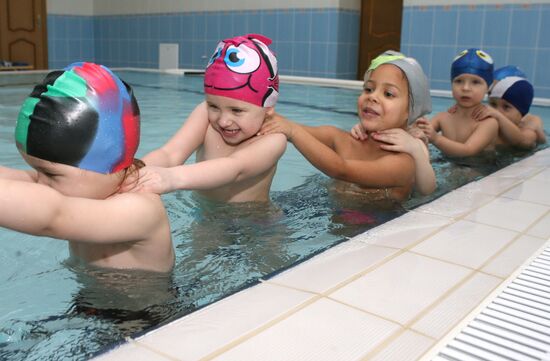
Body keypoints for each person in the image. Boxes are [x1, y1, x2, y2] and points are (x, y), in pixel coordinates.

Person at [0, 62, 174, 273]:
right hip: (90, 299)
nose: (41, 183)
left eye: (51, 174)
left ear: (107, 164)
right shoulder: (85, 183)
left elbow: (52, 216)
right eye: (37, 170)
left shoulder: (140, 210)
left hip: (141, 306)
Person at [122, 34, 286, 203]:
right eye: (214, 106)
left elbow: (234, 168)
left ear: (268, 109)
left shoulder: (273, 140)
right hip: (205, 212)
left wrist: (171, 178)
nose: (223, 121)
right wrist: (134, 171)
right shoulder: (205, 114)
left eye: (236, 110)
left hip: (253, 222)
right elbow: (170, 153)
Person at [259, 50, 432, 202]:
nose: (373, 97)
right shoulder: (343, 139)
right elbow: (293, 126)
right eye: (368, 89)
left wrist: (293, 132)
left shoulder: (402, 164)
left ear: (410, 111)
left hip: (373, 227)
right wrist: (260, 114)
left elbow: (341, 170)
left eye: (388, 94)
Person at [416, 48, 499, 158]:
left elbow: (468, 150)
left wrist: (436, 138)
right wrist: (418, 125)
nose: (465, 88)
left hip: (478, 168)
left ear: (488, 87)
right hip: (448, 164)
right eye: (459, 81)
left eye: (475, 82)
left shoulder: (488, 123)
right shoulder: (443, 117)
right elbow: (420, 134)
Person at [473, 76, 546, 149]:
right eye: (493, 104)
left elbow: (522, 141)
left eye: (506, 107)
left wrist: (498, 116)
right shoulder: (486, 126)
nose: (496, 111)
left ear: (522, 114)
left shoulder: (526, 129)